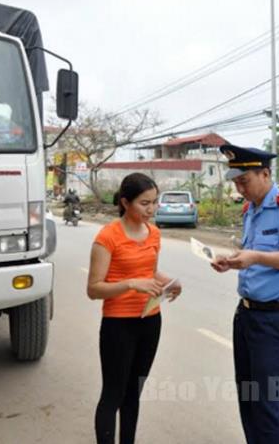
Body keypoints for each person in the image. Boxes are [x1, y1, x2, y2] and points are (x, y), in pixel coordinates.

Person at [211, 144, 279, 444]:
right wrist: (233, 260)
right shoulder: (251, 209)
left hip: (275, 319)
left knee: (266, 402)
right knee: (248, 397)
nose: (239, 188)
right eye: (235, 182)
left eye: (244, 181)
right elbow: (253, 252)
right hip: (246, 314)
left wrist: (255, 257)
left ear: (266, 173)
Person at [87, 172, 182, 444]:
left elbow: (151, 272)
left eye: (154, 202)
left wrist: (172, 282)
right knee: (113, 394)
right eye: (144, 203)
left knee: (133, 392)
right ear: (125, 203)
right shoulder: (107, 237)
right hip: (119, 325)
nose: (151, 209)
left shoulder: (154, 233)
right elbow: (94, 288)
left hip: (150, 321)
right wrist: (130, 284)